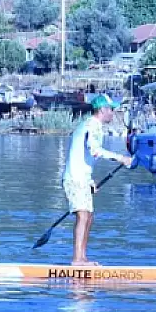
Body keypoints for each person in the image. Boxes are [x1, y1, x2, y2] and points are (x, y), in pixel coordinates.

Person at [61, 94, 135, 266]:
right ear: (102, 109)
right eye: (111, 109)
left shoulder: (92, 125)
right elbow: (95, 151)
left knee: (89, 216)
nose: (113, 113)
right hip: (75, 178)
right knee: (83, 215)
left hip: (81, 178)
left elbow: (83, 156)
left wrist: (89, 180)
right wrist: (121, 158)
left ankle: (82, 257)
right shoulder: (91, 125)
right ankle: (77, 260)